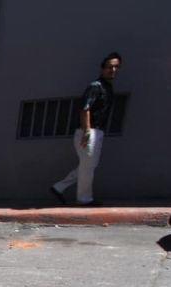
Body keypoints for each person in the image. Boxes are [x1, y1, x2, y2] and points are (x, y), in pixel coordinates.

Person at [51, 52, 122, 206]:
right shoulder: (96, 86)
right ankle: (84, 199)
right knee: (88, 167)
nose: (113, 70)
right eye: (110, 67)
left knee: (87, 166)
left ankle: (59, 187)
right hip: (89, 131)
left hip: (97, 132)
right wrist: (87, 131)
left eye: (116, 67)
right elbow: (85, 108)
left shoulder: (107, 87)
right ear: (102, 68)